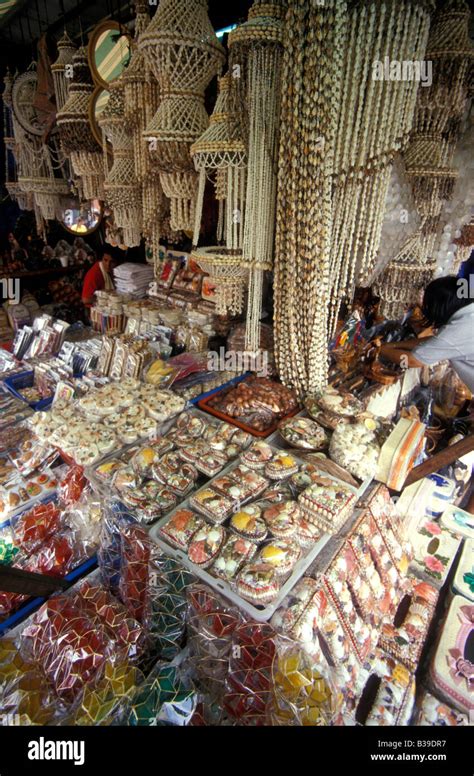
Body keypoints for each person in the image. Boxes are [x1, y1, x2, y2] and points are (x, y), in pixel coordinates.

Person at [378, 276, 474, 393]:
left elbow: (412, 361)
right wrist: (392, 346)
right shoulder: (468, 315)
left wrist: (379, 349)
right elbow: (433, 342)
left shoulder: (459, 330)